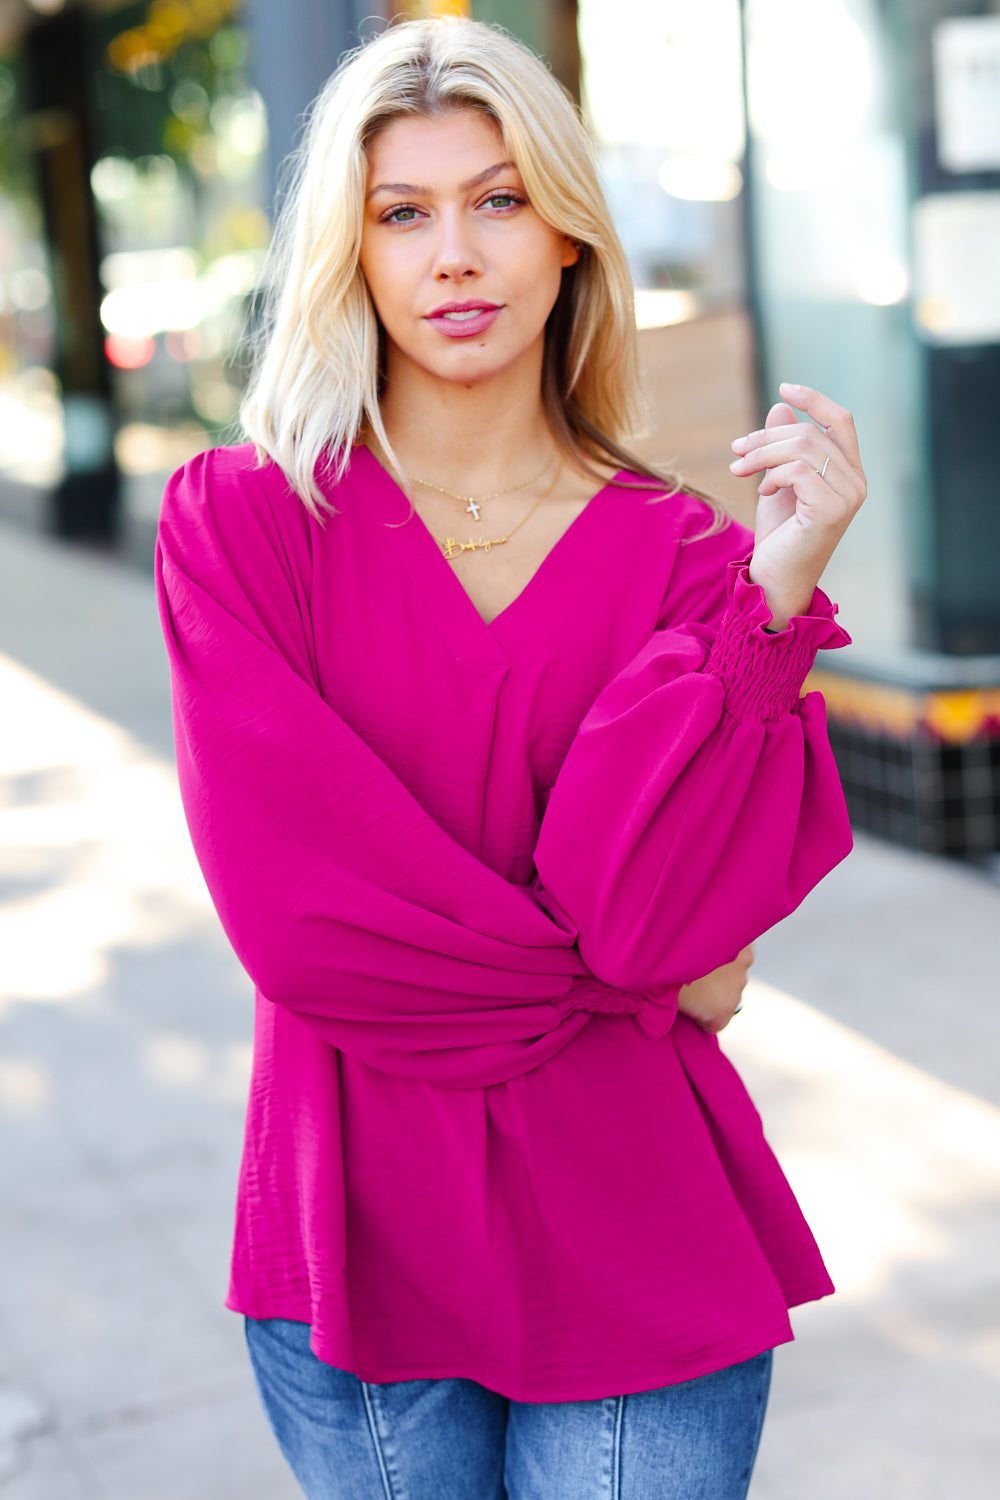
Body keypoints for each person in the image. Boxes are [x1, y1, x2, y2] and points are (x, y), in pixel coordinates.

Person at [155, 16, 867, 1500]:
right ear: (349, 255)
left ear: (568, 237)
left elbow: (686, 947)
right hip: (355, 1236)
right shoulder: (242, 529)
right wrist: (618, 977)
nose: (454, 256)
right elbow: (308, 931)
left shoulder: (698, 569)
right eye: (401, 214)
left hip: (639, 1236)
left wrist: (780, 591)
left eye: (497, 199)